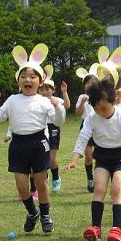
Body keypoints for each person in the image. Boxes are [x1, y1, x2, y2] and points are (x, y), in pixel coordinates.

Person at [0, 43, 65, 233]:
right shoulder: (13, 100)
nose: (28, 79)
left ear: (40, 81)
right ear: (18, 81)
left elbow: (58, 121)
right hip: (18, 144)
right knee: (22, 187)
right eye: (23, 76)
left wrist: (58, 107)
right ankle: (33, 213)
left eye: (32, 76)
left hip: (39, 143)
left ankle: (46, 215)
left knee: (41, 183)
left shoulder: (44, 101)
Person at [65, 76, 121, 241]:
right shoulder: (91, 118)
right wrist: (74, 159)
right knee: (99, 188)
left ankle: (117, 230)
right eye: (96, 108)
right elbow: (83, 138)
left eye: (104, 108)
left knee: (116, 188)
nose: (100, 112)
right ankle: (96, 228)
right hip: (102, 156)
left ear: (114, 101)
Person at [39, 65, 71, 193]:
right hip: (40, 129)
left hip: (53, 128)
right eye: (42, 89)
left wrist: (64, 92)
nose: (44, 92)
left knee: (51, 159)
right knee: (41, 158)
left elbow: (67, 105)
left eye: (48, 89)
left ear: (53, 90)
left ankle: (56, 178)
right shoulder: (37, 101)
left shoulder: (56, 100)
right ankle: (44, 181)